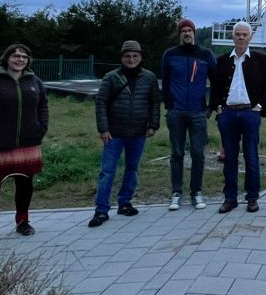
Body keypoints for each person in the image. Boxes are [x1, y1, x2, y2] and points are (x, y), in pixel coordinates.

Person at [0, 43, 48, 249]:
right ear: (7, 58)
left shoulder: (35, 82)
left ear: (28, 60)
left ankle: (23, 222)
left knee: (25, 185)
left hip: (28, 144)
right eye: (16, 55)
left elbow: (43, 107)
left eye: (24, 56)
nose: (20, 59)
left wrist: (40, 128)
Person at [89, 41, 161, 227]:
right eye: (127, 56)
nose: (131, 59)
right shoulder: (111, 77)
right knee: (107, 171)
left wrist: (153, 124)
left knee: (132, 168)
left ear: (140, 57)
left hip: (138, 131)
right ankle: (101, 209)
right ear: (122, 58)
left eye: (135, 56)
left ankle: (125, 202)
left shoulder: (149, 77)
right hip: (114, 132)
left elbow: (155, 102)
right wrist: (103, 128)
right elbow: (101, 103)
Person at [209, 21, 266, 214]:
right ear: (232, 36)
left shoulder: (261, 60)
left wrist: (259, 106)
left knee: (251, 157)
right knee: (229, 158)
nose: (241, 37)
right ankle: (230, 198)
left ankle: (252, 197)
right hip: (228, 113)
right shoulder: (221, 61)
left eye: (245, 34)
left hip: (250, 113)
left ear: (250, 37)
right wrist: (218, 109)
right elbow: (214, 87)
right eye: (238, 34)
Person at [162, 18, 217, 211]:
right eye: (183, 30)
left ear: (194, 33)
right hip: (176, 111)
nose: (187, 33)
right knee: (176, 153)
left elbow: (216, 82)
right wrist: (169, 106)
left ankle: (196, 192)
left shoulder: (205, 54)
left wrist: (211, 107)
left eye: (189, 30)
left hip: (197, 111)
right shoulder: (170, 54)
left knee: (198, 153)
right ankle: (176, 193)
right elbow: (166, 81)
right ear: (179, 34)